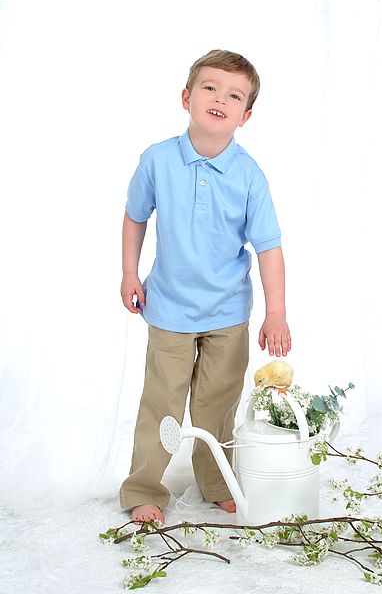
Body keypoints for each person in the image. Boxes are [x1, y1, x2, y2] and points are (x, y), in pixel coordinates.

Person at [119, 50, 291, 525]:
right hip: (169, 308)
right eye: (210, 88)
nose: (220, 99)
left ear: (246, 114)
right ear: (186, 97)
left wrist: (275, 312)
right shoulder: (157, 160)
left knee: (218, 404)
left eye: (234, 95)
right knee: (162, 402)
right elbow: (136, 216)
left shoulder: (250, 175)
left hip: (228, 313)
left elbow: (269, 247)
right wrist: (130, 273)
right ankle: (143, 487)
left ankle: (217, 482)